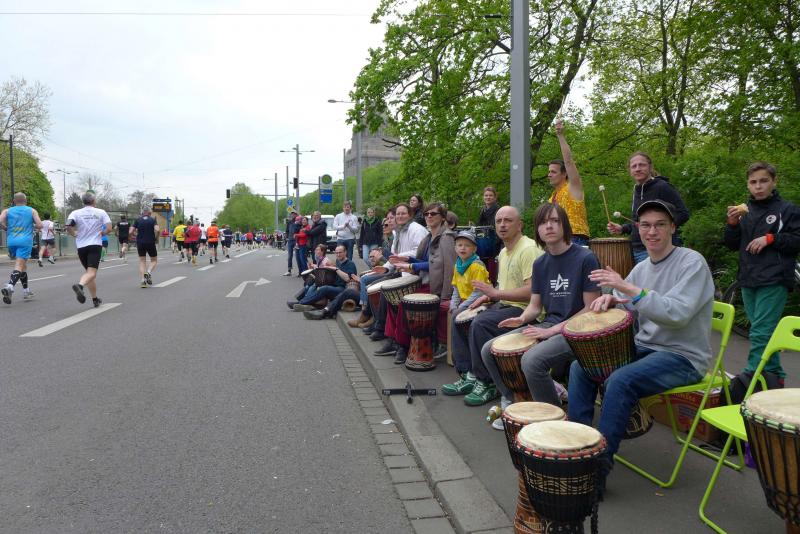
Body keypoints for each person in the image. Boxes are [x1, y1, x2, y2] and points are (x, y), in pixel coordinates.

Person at [569, 199, 715, 491]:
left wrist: (625, 288)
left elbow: (676, 314)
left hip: (683, 357)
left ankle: (596, 470)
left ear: (673, 227)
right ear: (638, 229)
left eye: (660, 224)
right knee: (581, 367)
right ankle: (577, 448)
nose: (652, 231)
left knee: (621, 380)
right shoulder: (643, 267)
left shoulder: (692, 262)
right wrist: (612, 299)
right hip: (647, 349)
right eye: (646, 225)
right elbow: (630, 306)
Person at [482, 204, 601, 429]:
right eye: (544, 222)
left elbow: (590, 309)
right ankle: (515, 401)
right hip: (549, 325)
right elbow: (535, 306)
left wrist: (552, 330)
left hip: (580, 330)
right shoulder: (540, 264)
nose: (549, 226)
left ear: (565, 225)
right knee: (489, 349)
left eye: (555, 221)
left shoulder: (585, 258)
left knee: (532, 361)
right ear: (537, 229)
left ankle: (553, 422)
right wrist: (522, 319)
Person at [445, 206, 544, 406]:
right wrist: (486, 298)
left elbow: (533, 290)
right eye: (498, 221)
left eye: (508, 220)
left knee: (480, 323)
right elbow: (502, 287)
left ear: (519, 225)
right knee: (460, 315)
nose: (502, 225)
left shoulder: (529, 249)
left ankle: (487, 382)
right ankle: (468, 374)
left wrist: (495, 294)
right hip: (505, 304)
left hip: (526, 310)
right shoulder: (504, 252)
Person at [724, 162, 800, 388]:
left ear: (774, 182)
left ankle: (751, 376)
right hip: (748, 278)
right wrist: (732, 224)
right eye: (753, 182)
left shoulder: (787, 210)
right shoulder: (744, 212)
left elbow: (797, 240)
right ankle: (775, 375)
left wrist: (771, 238)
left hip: (775, 277)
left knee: (760, 331)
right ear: (748, 185)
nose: (758, 186)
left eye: (764, 181)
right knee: (762, 331)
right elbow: (731, 244)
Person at [383, 202, 456, 364]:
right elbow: (425, 261)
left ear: (443, 217)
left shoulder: (446, 238)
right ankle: (392, 338)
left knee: (403, 302)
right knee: (392, 299)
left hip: (436, 287)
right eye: (426, 214)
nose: (429, 216)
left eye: (433, 214)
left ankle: (402, 345)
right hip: (425, 281)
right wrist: (407, 259)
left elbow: (445, 267)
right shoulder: (429, 237)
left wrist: (411, 266)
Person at [607, 151, 690, 264]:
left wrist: (661, 228)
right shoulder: (636, 190)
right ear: (630, 171)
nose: (637, 169)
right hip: (635, 249)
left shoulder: (662, 186)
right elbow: (638, 222)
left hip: (658, 248)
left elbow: (683, 213)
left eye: (642, 165)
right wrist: (622, 228)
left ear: (650, 167)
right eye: (634, 166)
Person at [371, 203, 429, 357]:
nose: (400, 216)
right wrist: (386, 268)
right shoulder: (399, 231)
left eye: (403, 213)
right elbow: (394, 256)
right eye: (398, 214)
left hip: (417, 275)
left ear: (410, 215)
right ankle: (390, 337)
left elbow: (418, 252)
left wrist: (400, 258)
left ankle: (395, 340)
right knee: (387, 294)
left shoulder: (416, 229)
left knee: (392, 298)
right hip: (405, 273)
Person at [441, 230, 491, 395]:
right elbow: (456, 288)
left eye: (467, 245)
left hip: (482, 302)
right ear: (455, 248)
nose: (463, 248)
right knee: (454, 315)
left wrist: (462, 307)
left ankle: (469, 371)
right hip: (466, 303)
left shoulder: (476, 266)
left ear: (474, 249)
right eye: (460, 245)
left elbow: (478, 292)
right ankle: (466, 372)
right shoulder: (458, 265)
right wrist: (454, 304)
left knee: (459, 319)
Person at [549, 120, 591, 245]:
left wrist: (560, 135)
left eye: (553, 172)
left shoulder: (573, 187)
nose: (549, 174)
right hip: (557, 239)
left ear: (564, 174)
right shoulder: (551, 198)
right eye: (549, 172)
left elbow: (568, 161)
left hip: (575, 238)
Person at [67, 192, 112, 307]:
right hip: (95, 245)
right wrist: (103, 233)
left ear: (83, 201)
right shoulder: (101, 212)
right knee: (91, 273)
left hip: (81, 246)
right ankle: (80, 286)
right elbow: (109, 228)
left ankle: (95, 299)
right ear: (94, 201)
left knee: (89, 273)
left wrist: (74, 234)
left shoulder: (75, 213)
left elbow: (68, 226)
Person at [0, 192, 42, 304]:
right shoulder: (32, 210)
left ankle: (26, 291)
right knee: (19, 265)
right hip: (25, 241)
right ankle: (10, 286)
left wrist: (5, 227)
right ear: (26, 201)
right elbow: (40, 225)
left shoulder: (7, 211)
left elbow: (0, 221)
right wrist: (32, 226)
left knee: (23, 266)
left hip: (11, 241)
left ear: (14, 201)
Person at [292, 245, 357, 311]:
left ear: (345, 252)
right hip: (334, 285)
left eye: (340, 252)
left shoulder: (350, 264)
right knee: (315, 283)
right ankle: (306, 303)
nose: (338, 254)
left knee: (324, 288)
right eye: (336, 253)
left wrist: (336, 269)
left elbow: (348, 279)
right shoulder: (338, 261)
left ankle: (301, 303)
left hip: (343, 289)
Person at [132, 207, 159, 288]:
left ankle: (143, 281)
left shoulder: (137, 220)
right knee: (154, 260)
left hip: (140, 243)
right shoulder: (153, 220)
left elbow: (131, 231)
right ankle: (148, 272)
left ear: (142, 212)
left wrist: (133, 236)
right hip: (150, 242)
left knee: (142, 261)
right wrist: (156, 238)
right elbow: (157, 230)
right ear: (149, 213)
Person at [284, 211, 299, 276]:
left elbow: (299, 230)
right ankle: (289, 270)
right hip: (290, 240)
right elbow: (287, 231)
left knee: (298, 256)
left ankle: (300, 271)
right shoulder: (289, 222)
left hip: (296, 240)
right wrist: (287, 238)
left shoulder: (299, 221)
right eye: (292, 214)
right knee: (290, 256)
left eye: (294, 214)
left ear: (296, 215)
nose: (293, 215)